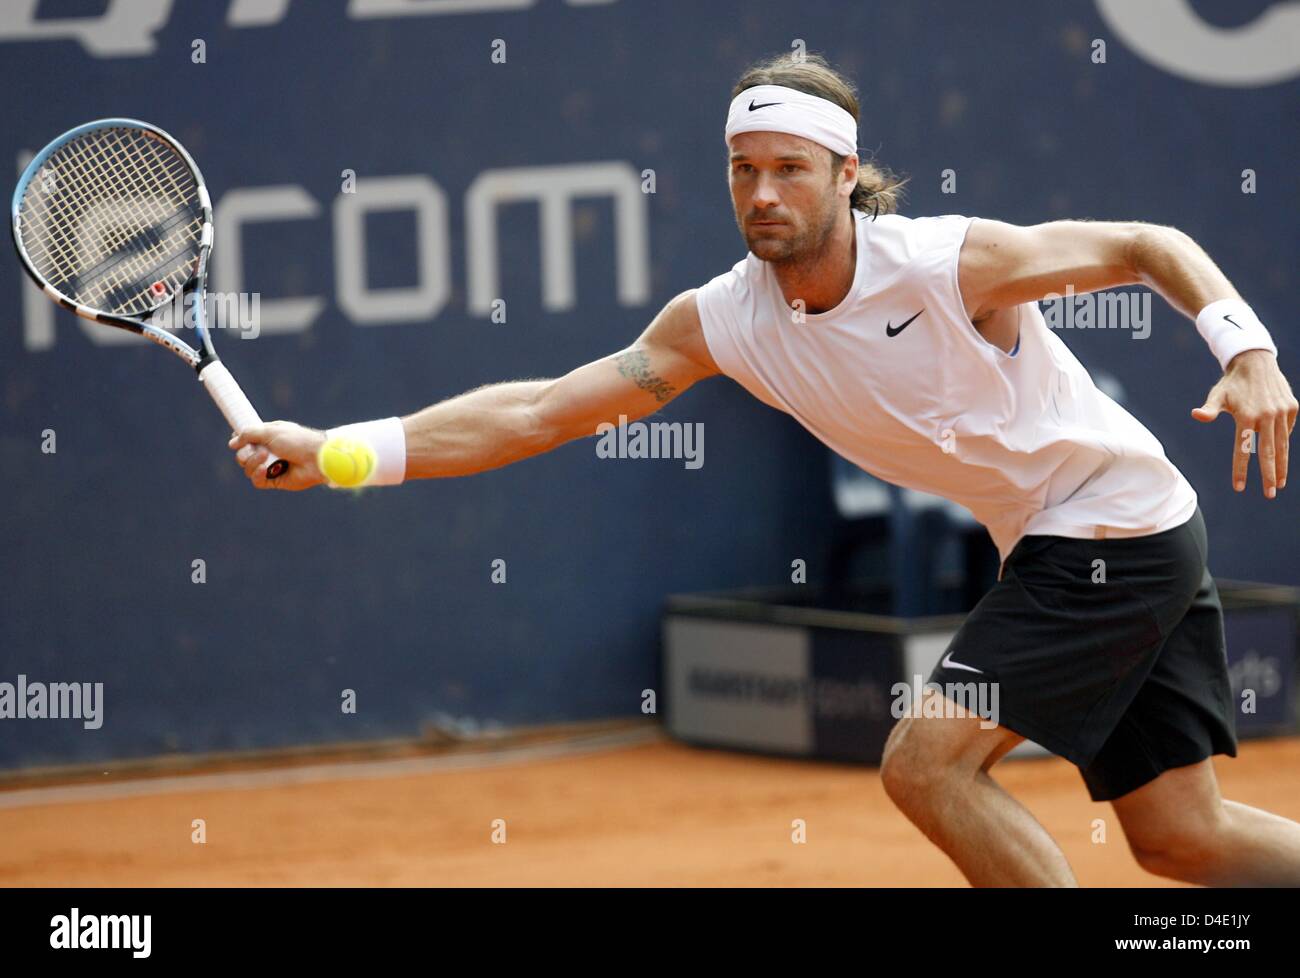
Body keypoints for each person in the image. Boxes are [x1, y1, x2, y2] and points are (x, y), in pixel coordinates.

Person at [230, 53, 1300, 886]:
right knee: (1180, 840)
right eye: (743, 171)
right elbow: (539, 413)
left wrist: (1246, 352)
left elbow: (1145, 242)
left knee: (923, 767)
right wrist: (336, 453)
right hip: (1104, 533)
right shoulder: (720, 322)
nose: (763, 193)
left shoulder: (944, 265)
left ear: (845, 174)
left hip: (1109, 534)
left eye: (790, 168)